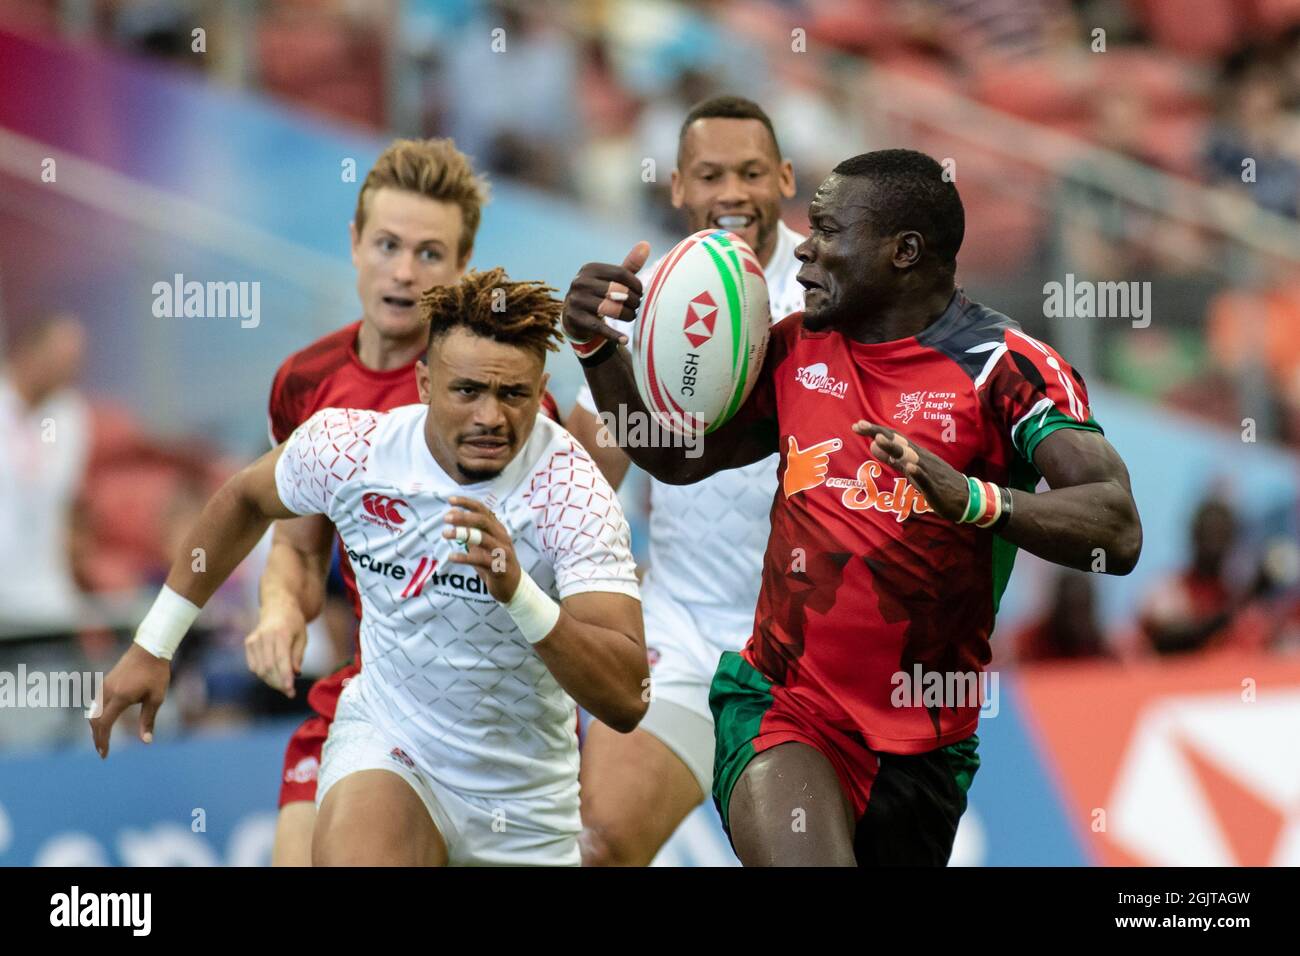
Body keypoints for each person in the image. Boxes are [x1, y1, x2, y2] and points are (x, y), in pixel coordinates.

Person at [562, 148, 1143, 866]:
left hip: (928, 743)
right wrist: (596, 349)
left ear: (904, 252)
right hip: (782, 704)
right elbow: (683, 458)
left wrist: (974, 501)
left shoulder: (1005, 368)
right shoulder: (794, 346)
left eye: (829, 230)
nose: (803, 247)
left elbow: (1116, 527)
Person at [90, 268, 646, 866]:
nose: (491, 416)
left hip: (524, 799)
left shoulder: (572, 490)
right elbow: (244, 500)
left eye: (513, 394)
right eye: (467, 391)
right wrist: (155, 643)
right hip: (393, 742)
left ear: (541, 392)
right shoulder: (353, 449)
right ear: (424, 383)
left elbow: (626, 697)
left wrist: (519, 593)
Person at [245, 138, 561, 865]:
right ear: (355, 243)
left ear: (460, 268)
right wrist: (279, 613)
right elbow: (297, 545)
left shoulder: (504, 400)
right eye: (387, 244)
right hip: (368, 702)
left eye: (428, 254)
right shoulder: (305, 384)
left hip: (494, 727)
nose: (403, 272)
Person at [564, 95, 804, 866]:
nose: (731, 191)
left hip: (805, 655)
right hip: (685, 632)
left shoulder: (834, 296)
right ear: (676, 187)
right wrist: (593, 343)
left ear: (786, 180)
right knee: (597, 848)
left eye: (751, 172)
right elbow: (583, 477)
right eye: (710, 173)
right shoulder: (643, 299)